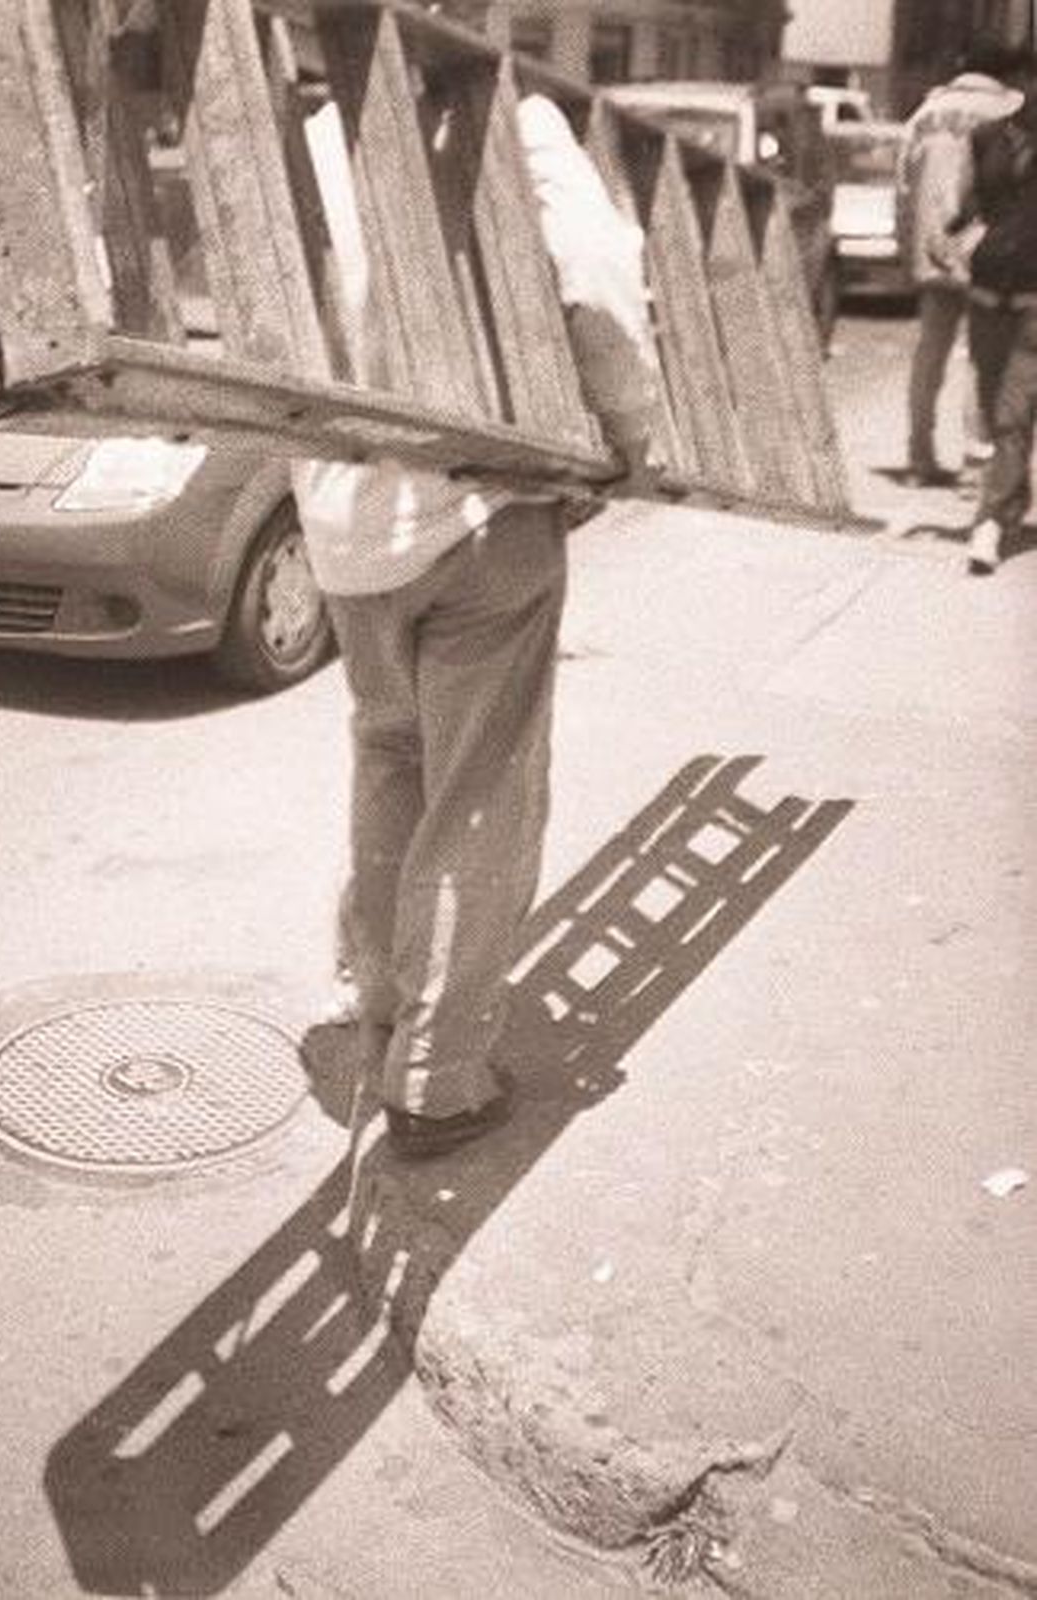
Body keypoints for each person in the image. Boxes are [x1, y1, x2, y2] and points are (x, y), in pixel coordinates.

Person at [299, 94, 662, 1161]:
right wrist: (629, 431)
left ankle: (381, 1000)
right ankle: (437, 1078)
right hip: (476, 515)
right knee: (480, 798)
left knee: (389, 758)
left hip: (345, 530)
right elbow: (597, 285)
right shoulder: (506, 116)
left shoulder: (313, 135)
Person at [895, 37, 1025, 487]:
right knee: (984, 357)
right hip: (989, 250)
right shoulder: (1009, 110)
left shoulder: (925, 113)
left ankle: (918, 456)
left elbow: (904, 185)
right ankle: (977, 462)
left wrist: (908, 246)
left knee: (930, 351)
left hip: (932, 247)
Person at [952, 54, 1037, 575]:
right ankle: (1011, 503)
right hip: (987, 296)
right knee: (996, 412)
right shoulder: (986, 138)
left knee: (1011, 413)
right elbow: (966, 208)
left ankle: (988, 524)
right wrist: (955, 238)